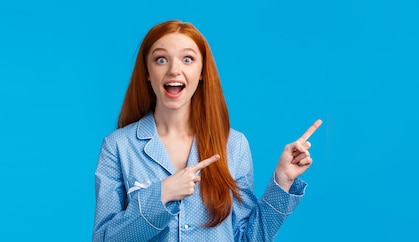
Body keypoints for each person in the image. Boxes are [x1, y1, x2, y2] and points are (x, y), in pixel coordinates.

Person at [92, 20, 322, 241]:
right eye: (161, 59)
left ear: (202, 71)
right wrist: (161, 194)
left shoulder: (234, 144)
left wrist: (282, 181)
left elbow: (248, 238)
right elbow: (103, 239)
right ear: (147, 72)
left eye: (188, 59)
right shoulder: (118, 146)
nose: (174, 70)